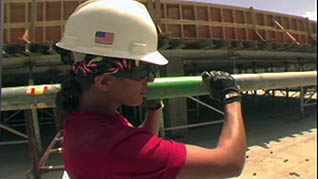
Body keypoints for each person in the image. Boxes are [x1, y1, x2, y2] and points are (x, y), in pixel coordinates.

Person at [55, 0, 247, 178]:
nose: (150, 79)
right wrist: (231, 97)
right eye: (143, 72)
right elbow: (230, 163)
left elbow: (140, 147)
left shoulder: (84, 122)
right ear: (104, 82)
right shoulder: (116, 147)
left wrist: (154, 109)